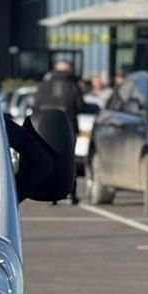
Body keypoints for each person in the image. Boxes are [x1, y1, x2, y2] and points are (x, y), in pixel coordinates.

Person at [35, 58, 85, 204]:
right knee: (69, 160)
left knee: (49, 159)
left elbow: (35, 105)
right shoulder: (73, 85)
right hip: (67, 126)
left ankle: (51, 194)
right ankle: (72, 193)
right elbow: (80, 106)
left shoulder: (43, 85)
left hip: (45, 127)